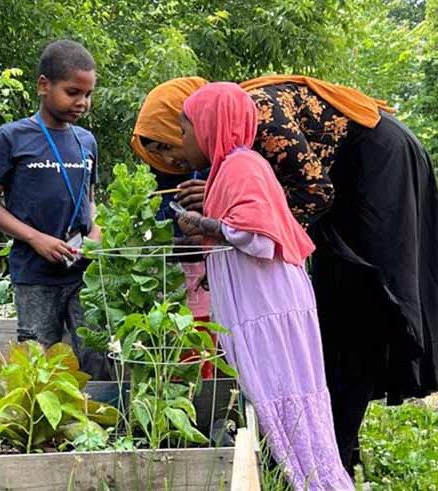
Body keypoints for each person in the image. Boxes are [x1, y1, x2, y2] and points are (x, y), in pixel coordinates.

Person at [131, 75, 438, 474]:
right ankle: (331, 444)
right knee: (337, 311)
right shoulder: (234, 145)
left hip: (377, 167)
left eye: (170, 144)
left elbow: (312, 192)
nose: (172, 163)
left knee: (363, 303)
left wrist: (229, 225)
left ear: (194, 119)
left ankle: (335, 449)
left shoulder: (259, 118)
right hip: (336, 184)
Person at [175, 82, 353, 490]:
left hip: (267, 304)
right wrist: (203, 233)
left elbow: (258, 238)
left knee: (279, 391)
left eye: (186, 129)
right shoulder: (230, 168)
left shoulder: (242, 166)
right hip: (262, 301)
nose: (181, 141)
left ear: (210, 126)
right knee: (278, 397)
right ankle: (304, 479)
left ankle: (312, 481)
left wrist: (204, 225)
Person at [0, 40, 108, 379]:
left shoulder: (86, 141)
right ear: (43, 85)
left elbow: (88, 198)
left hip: (83, 271)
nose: (82, 102)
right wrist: (36, 239)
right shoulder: (12, 137)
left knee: (96, 352)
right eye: (72, 92)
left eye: (88, 94)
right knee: (37, 359)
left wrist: (95, 231)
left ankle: (104, 425)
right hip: (34, 273)